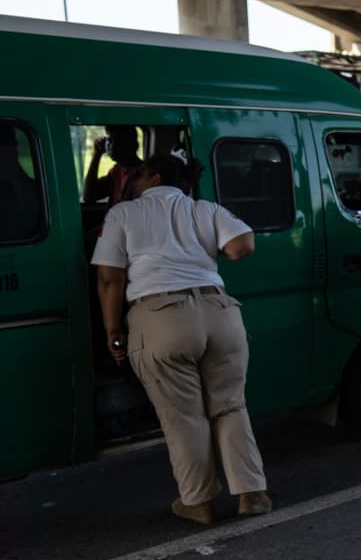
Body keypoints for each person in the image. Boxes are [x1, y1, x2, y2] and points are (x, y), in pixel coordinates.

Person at [90, 148, 271, 526]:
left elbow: (109, 278)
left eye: (138, 175)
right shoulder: (205, 209)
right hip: (220, 312)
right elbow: (242, 245)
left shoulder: (124, 213)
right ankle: (252, 494)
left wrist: (113, 330)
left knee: (184, 416)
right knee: (230, 406)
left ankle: (199, 502)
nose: (132, 182)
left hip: (162, 317)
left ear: (155, 179)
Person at [83, 125, 144, 206]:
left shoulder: (144, 174)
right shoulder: (116, 170)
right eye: (108, 140)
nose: (108, 145)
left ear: (133, 146)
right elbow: (89, 196)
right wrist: (97, 155)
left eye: (115, 140)